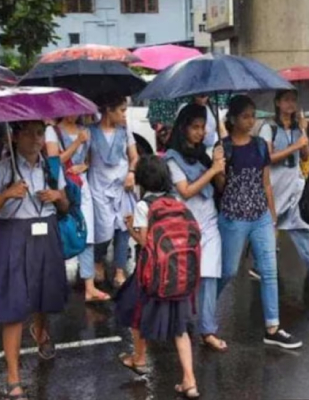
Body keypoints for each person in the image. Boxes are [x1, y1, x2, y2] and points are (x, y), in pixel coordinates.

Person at [217, 95, 303, 349]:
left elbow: (266, 182)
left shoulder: (260, 146)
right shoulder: (224, 148)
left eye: (253, 115)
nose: (251, 121)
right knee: (229, 271)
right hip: (233, 216)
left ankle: (273, 327)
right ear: (232, 119)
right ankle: (205, 316)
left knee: (269, 270)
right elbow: (220, 186)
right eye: (245, 116)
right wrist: (219, 168)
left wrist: (272, 214)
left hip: (260, 216)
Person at [117, 155, 199, 399]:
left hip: (152, 275)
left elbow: (144, 241)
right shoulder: (176, 202)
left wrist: (131, 226)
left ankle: (139, 358)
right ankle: (190, 381)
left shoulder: (144, 206)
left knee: (136, 312)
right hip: (179, 274)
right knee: (180, 328)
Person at [0, 121, 69, 400]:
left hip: (46, 232)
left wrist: (57, 197)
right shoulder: (5, 167)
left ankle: (41, 330)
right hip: (14, 235)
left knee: (45, 293)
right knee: (13, 305)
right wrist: (6, 194)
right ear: (15, 136)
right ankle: (13, 378)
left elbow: (65, 205)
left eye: (39, 133)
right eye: (28, 132)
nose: (35, 139)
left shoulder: (51, 167)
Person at [164, 104, 228, 351]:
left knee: (210, 275)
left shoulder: (204, 155)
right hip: (184, 224)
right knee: (185, 278)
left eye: (203, 127)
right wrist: (212, 170)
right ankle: (178, 323)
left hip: (209, 220)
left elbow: (219, 186)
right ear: (183, 128)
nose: (200, 133)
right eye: (195, 127)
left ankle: (208, 329)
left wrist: (219, 166)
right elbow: (186, 191)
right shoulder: (172, 157)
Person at [45, 116, 110, 303]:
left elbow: (89, 157)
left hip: (82, 184)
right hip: (62, 187)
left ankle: (89, 286)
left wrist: (85, 165)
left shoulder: (85, 129)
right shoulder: (53, 131)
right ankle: (54, 283)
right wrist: (77, 142)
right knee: (62, 232)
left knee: (86, 232)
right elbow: (54, 160)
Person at [258, 90, 309, 290]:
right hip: (274, 185)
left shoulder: (298, 128)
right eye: (286, 100)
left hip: (294, 186)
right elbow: (267, 157)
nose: (291, 104)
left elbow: (306, 155)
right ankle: (265, 272)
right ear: (277, 102)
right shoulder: (269, 128)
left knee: (302, 229)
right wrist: (294, 147)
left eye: (294, 99)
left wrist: (304, 130)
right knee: (269, 229)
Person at [89, 96, 139, 288]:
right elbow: (86, 159)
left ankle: (119, 269)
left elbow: (134, 157)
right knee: (103, 229)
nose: (124, 114)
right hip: (99, 187)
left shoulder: (125, 132)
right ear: (108, 110)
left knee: (124, 227)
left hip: (122, 186)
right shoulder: (90, 132)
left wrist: (131, 173)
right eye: (122, 110)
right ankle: (98, 260)